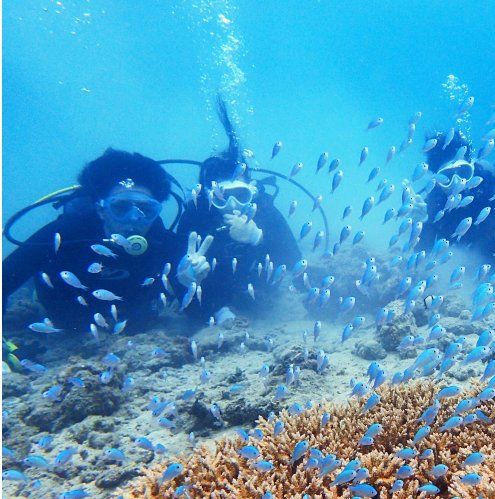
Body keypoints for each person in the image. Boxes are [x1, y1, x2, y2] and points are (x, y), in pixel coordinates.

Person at [2, 149, 185, 333]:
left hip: (137, 333)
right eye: (120, 207)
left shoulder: (164, 244)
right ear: (100, 209)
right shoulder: (65, 236)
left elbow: (198, 307)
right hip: (62, 332)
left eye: (146, 209)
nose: (134, 218)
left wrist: (192, 278)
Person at [175, 98, 302, 317]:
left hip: (263, 301)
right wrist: (185, 278)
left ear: (252, 192)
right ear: (207, 196)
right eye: (221, 197)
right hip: (213, 305)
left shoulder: (263, 209)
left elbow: (295, 262)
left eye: (241, 195)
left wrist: (259, 238)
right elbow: (174, 285)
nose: (232, 205)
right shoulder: (195, 217)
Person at [415, 129, 495, 267]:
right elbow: (421, 256)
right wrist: (421, 225)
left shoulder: (490, 187)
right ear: (436, 179)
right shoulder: (433, 203)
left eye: (463, 172)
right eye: (447, 176)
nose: (457, 183)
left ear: (472, 168)